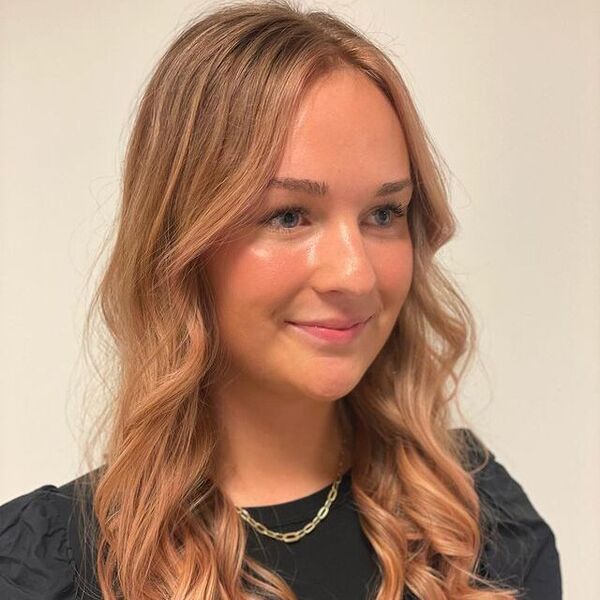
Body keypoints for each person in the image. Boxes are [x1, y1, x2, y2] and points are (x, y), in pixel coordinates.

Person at [0, 1, 562, 599]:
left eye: (383, 213)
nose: (355, 274)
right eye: (289, 215)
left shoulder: (476, 524)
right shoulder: (44, 571)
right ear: (180, 243)